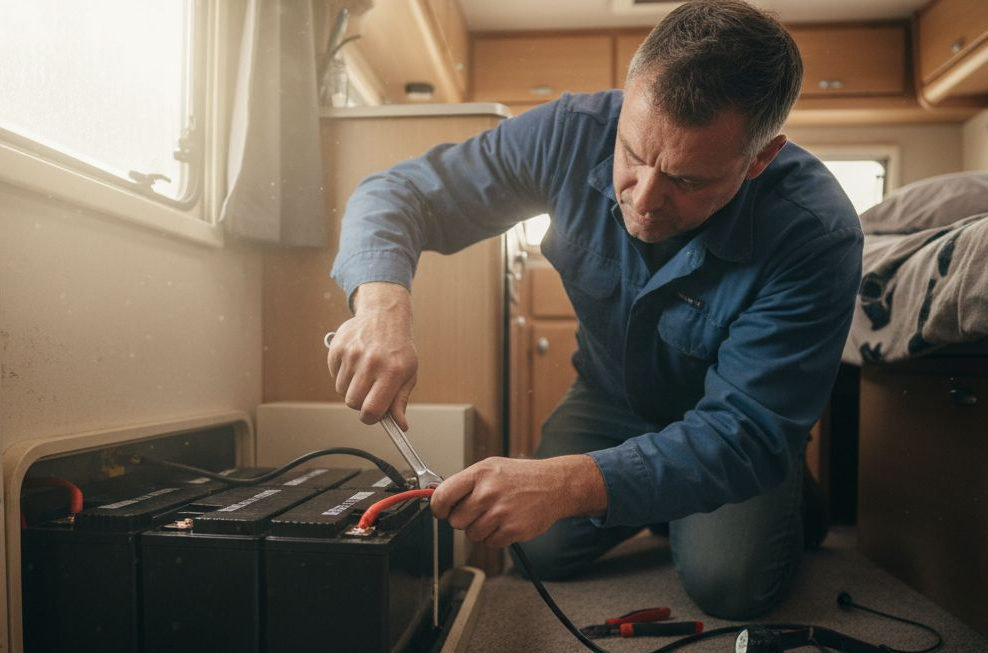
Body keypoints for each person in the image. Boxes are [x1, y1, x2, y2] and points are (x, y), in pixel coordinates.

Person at [325, 0, 861, 619]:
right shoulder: (570, 130)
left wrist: (567, 483)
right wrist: (381, 305)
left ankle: (786, 497)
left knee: (728, 586)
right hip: (611, 400)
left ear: (758, 159)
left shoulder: (816, 232)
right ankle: (670, 499)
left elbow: (745, 429)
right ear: (629, 98)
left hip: (728, 424)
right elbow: (399, 193)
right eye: (633, 156)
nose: (646, 201)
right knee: (535, 550)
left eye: (687, 181)